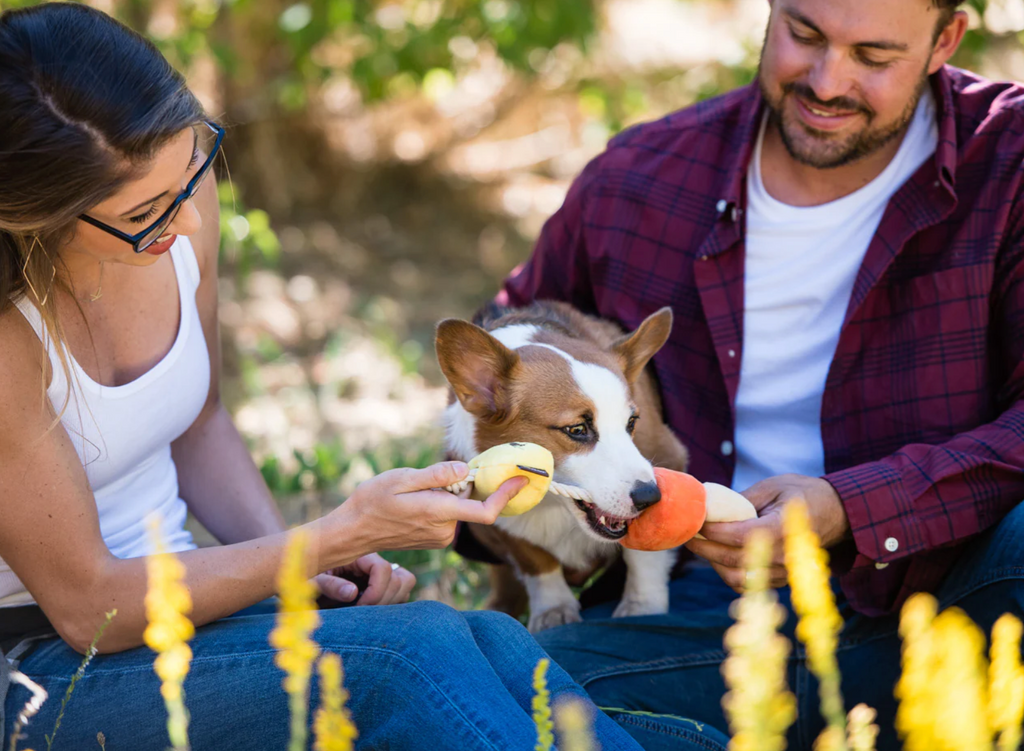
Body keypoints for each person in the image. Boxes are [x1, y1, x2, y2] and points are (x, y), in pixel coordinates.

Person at [0, 4, 733, 750]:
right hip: (42, 663)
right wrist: (327, 536)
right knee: (403, 661)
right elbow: (91, 606)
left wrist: (305, 569)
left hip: (189, 596)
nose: (187, 223)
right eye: (147, 211)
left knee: (482, 638)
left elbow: (198, 422)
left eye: (191, 173)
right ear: (37, 217)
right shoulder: (8, 338)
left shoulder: (181, 219)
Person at [495, 0, 1024, 748]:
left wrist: (851, 507)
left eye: (873, 57)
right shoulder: (634, 180)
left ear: (946, 40)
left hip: (949, 592)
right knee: (477, 680)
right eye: (804, 34)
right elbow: (504, 352)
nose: (827, 80)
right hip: (689, 615)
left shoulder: (1011, 164)